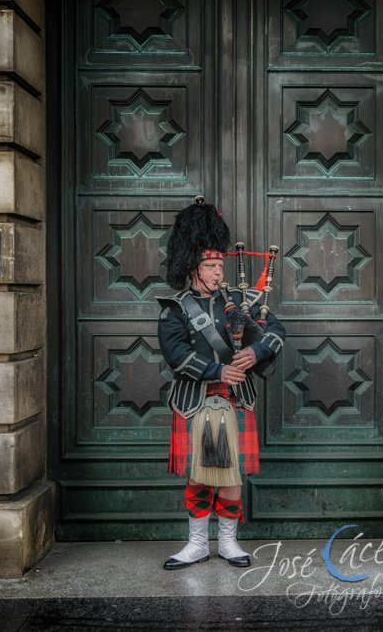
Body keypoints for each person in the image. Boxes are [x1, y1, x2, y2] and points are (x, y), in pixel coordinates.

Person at [157, 196, 285, 570]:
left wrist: (256, 352)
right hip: (194, 401)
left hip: (235, 400)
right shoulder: (176, 309)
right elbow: (175, 353)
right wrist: (217, 372)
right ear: (192, 268)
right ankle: (197, 543)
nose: (217, 272)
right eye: (210, 266)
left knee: (231, 476)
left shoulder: (241, 301)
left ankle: (228, 543)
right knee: (199, 475)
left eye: (219, 265)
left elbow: (276, 331)